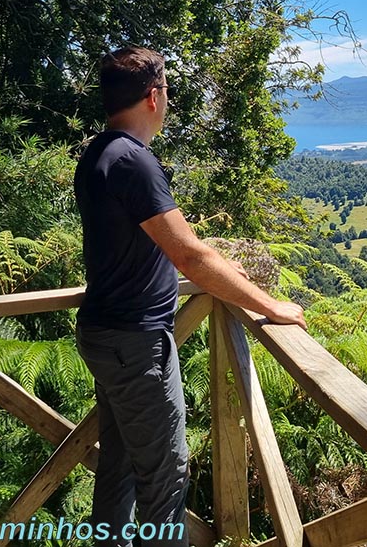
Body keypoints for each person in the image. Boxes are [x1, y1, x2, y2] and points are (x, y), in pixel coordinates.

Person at [74, 46, 306, 547]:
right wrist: (269, 305)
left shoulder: (98, 152)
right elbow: (191, 258)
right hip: (135, 343)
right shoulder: (135, 162)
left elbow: (163, 241)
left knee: (119, 465)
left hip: (104, 333)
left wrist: (222, 268)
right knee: (165, 478)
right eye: (168, 92)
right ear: (154, 97)